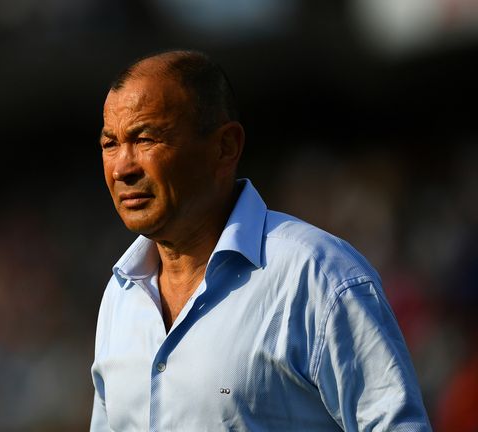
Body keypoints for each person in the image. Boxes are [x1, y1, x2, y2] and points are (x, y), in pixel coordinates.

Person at [90, 50, 431, 431]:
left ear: (225, 147)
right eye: (110, 144)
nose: (122, 166)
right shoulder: (120, 298)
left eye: (146, 138)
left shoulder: (317, 276)